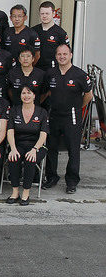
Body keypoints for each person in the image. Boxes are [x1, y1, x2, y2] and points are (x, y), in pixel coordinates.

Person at [43, 44, 92, 193]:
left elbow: (88, 96)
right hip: (54, 115)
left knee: (73, 149)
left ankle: (71, 181)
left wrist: (76, 108)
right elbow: (46, 93)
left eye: (65, 54)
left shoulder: (80, 75)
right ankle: (51, 177)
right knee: (51, 148)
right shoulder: (50, 73)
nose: (62, 57)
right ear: (56, 56)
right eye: (59, 54)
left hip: (72, 116)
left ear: (70, 55)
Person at [6, 85, 49, 206]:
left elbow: (43, 134)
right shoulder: (14, 110)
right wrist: (13, 149)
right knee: (14, 158)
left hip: (37, 146)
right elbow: (10, 131)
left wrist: (35, 149)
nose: (26, 96)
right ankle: (15, 192)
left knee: (30, 159)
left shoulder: (42, 112)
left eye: (29, 93)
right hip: (18, 144)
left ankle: (26, 192)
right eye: (23, 93)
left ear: (34, 95)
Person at [34, 1, 70, 70]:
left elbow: (67, 53)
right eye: (42, 13)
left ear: (53, 14)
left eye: (47, 13)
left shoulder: (60, 33)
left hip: (53, 70)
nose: (44, 16)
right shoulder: (33, 30)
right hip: (36, 69)